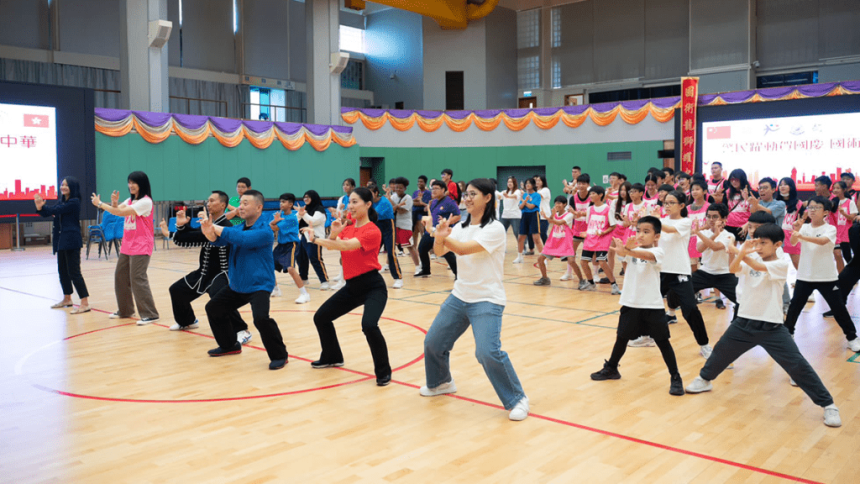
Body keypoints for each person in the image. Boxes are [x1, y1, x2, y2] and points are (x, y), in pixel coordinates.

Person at [685, 224, 842, 428]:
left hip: (772, 328)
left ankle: (828, 404)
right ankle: (704, 380)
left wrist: (738, 251)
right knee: (721, 352)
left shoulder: (781, 263)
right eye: (756, 242)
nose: (758, 246)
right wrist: (739, 252)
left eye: (763, 243)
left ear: (777, 245)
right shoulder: (752, 257)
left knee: (798, 365)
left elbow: (758, 267)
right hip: (743, 322)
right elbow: (733, 270)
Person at [421, 178, 530, 421]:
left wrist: (436, 233)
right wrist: (439, 237)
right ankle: (441, 382)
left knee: (487, 352)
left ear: (488, 198)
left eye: (473, 194)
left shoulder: (494, 229)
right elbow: (440, 251)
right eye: (466, 194)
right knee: (433, 343)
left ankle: (517, 398)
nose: (467, 198)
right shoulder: (460, 227)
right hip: (460, 296)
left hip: (487, 300)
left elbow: (462, 249)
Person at [304, 187, 392, 386]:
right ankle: (332, 356)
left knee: (369, 325)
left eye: (355, 202)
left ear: (368, 204)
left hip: (372, 286)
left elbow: (346, 246)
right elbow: (335, 245)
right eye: (349, 202)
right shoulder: (348, 226)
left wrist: (314, 239)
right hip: (352, 286)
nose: (350, 206)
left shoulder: (372, 230)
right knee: (321, 317)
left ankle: (383, 371)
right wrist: (334, 234)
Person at [590, 216, 685, 396]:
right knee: (622, 338)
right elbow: (626, 254)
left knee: (663, 342)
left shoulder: (659, 252)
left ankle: (675, 377)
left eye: (646, 232)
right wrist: (625, 249)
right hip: (630, 302)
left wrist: (628, 250)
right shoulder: (631, 250)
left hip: (652, 305)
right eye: (638, 231)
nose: (640, 235)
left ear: (657, 236)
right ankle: (611, 368)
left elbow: (644, 255)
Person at [200, 189, 289, 370]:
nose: (240, 207)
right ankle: (229, 345)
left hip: (259, 285)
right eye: (240, 203)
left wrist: (215, 227)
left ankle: (280, 355)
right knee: (214, 308)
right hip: (238, 284)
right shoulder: (238, 227)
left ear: (259, 207)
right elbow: (219, 241)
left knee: (261, 319)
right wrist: (208, 231)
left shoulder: (265, 230)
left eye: (245, 203)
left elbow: (243, 239)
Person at [159, 191, 251, 343]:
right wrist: (182, 226)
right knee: (176, 290)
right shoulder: (208, 224)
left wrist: (177, 231)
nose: (208, 203)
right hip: (204, 273)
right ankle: (187, 321)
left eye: (212, 200)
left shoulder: (225, 226)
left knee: (219, 297)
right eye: (208, 201)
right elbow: (187, 240)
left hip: (223, 274)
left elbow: (194, 237)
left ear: (223, 205)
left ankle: (242, 330)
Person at [784, 197, 860, 352]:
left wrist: (801, 235)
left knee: (839, 309)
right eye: (810, 207)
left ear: (825, 212)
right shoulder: (803, 228)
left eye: (816, 207)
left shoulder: (830, 229)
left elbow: (822, 241)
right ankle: (787, 335)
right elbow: (793, 242)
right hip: (805, 276)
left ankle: (852, 337)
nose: (812, 210)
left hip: (827, 277)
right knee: (794, 308)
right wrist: (796, 230)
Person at [91, 171, 159, 324]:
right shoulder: (130, 200)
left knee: (137, 278)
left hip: (141, 246)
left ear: (142, 184)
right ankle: (125, 310)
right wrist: (113, 204)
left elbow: (120, 211)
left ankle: (150, 313)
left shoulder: (146, 202)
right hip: (127, 245)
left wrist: (101, 204)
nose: (130, 185)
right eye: (129, 182)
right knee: (120, 277)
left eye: (134, 182)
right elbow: (117, 212)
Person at [658, 191, 712, 358]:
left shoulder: (685, 222)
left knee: (690, 309)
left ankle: (704, 345)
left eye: (671, 202)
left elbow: (667, 229)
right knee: (647, 305)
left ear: (682, 206)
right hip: (660, 270)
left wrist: (653, 219)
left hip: (679, 271)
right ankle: (645, 336)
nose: (667, 205)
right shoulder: (661, 220)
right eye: (665, 202)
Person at [35, 176, 89, 314]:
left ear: (72, 187)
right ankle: (67, 298)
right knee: (63, 272)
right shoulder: (62, 202)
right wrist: (40, 208)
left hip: (71, 240)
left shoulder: (74, 202)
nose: (63, 187)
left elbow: (56, 210)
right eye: (62, 185)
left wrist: (45, 208)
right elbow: (50, 211)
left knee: (74, 272)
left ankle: (84, 302)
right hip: (61, 241)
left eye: (66, 185)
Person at [578, 186, 621, 294]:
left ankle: (614, 285)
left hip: (602, 239)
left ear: (600, 195)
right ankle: (591, 283)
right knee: (583, 262)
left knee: (602, 262)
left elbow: (613, 226)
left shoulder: (607, 209)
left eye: (593, 193)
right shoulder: (590, 209)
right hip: (590, 238)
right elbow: (590, 225)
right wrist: (586, 233)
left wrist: (603, 232)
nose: (590, 196)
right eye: (590, 194)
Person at [270, 193, 310, 304]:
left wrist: (274, 222)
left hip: (291, 245)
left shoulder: (291, 218)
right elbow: (272, 225)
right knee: (269, 266)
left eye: (284, 201)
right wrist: (274, 221)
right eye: (280, 201)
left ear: (290, 204)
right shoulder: (280, 214)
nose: (281, 203)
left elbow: (274, 227)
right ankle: (276, 289)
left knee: (291, 269)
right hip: (281, 245)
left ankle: (304, 294)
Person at [417, 180, 460, 277]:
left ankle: (458, 273)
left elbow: (458, 216)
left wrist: (447, 222)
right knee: (422, 249)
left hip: (442, 232)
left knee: (447, 253)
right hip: (431, 231)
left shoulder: (450, 202)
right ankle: (425, 270)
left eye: (436, 188)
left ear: (443, 189)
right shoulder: (434, 201)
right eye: (432, 188)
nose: (433, 190)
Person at [534, 196, 577, 286]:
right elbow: (551, 221)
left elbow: (559, 222)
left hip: (565, 243)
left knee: (571, 261)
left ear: (564, 204)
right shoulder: (555, 214)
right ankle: (545, 278)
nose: (557, 205)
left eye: (559, 203)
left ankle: (581, 279)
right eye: (556, 203)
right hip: (553, 242)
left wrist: (551, 217)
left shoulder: (569, 215)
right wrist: (547, 216)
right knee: (540, 259)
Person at [370, 185, 403, 288]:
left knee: (391, 253)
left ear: (376, 193)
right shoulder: (370, 203)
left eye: (370, 193)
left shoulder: (383, 202)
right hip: (376, 227)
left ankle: (398, 278)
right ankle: (370, 277)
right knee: (371, 253)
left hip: (388, 227)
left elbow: (372, 215)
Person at [297, 190, 330, 290]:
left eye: (308, 197)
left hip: (315, 238)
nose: (305, 199)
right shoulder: (305, 208)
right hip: (303, 236)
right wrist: (300, 214)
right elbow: (296, 221)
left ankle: (324, 281)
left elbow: (312, 221)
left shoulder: (320, 210)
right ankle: (303, 278)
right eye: (304, 197)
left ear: (313, 197)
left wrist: (303, 214)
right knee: (300, 257)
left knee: (315, 259)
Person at [389, 178, 420, 275]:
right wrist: (395, 204)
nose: (398, 189)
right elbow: (391, 209)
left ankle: (418, 266)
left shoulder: (408, 198)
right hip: (394, 224)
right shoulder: (393, 196)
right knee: (391, 247)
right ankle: (387, 265)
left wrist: (393, 204)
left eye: (400, 188)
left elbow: (401, 211)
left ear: (405, 188)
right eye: (396, 187)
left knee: (409, 246)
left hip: (405, 225)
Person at [513, 178, 543, 263]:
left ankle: (543, 258)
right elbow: (520, 207)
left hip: (534, 215)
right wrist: (524, 201)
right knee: (520, 237)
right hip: (524, 216)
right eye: (526, 183)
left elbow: (531, 207)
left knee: (536, 238)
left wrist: (524, 201)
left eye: (529, 183)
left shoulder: (537, 195)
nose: (527, 185)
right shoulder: (524, 195)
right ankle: (519, 257)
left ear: (533, 185)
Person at [777, 177, 803, 270]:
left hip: (792, 236)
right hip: (777, 236)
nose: (782, 187)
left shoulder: (798, 203)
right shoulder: (776, 202)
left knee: (798, 265)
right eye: (780, 184)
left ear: (791, 187)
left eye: (785, 184)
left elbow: (802, 220)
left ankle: (802, 282)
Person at [831, 181, 858, 269]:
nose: (835, 190)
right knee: (837, 256)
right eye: (834, 188)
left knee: (847, 256)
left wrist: (844, 213)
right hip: (836, 234)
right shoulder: (833, 202)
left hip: (847, 234)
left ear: (844, 190)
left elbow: (852, 218)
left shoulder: (850, 202)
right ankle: (843, 276)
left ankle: (854, 276)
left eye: (838, 188)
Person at [725, 169, 755, 243]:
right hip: (729, 223)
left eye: (736, 179)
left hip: (744, 225)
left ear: (742, 179)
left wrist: (747, 198)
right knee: (730, 248)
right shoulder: (728, 192)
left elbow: (754, 210)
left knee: (743, 248)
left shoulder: (751, 192)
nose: (734, 182)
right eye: (732, 179)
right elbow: (725, 207)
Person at [498, 176, 523, 243]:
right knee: (501, 232)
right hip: (505, 216)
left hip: (515, 216)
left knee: (516, 232)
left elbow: (515, 196)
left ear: (514, 183)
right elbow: (499, 196)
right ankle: (502, 247)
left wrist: (508, 196)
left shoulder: (517, 191)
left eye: (511, 182)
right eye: (508, 182)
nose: (509, 183)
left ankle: (523, 246)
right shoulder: (504, 191)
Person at [412, 175, 432, 248]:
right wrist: (418, 202)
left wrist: (419, 202)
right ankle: (414, 247)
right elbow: (413, 202)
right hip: (414, 214)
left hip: (423, 215)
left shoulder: (428, 193)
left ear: (425, 183)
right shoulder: (415, 192)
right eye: (418, 181)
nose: (419, 183)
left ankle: (426, 249)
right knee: (414, 232)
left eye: (421, 182)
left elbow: (425, 204)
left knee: (423, 232)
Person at [535, 175, 551, 245]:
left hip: (545, 215)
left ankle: (548, 246)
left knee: (543, 233)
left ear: (543, 181)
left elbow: (538, 197)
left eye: (539, 180)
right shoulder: (538, 190)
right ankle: (546, 247)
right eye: (536, 180)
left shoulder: (545, 190)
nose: (537, 182)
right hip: (538, 215)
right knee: (539, 233)